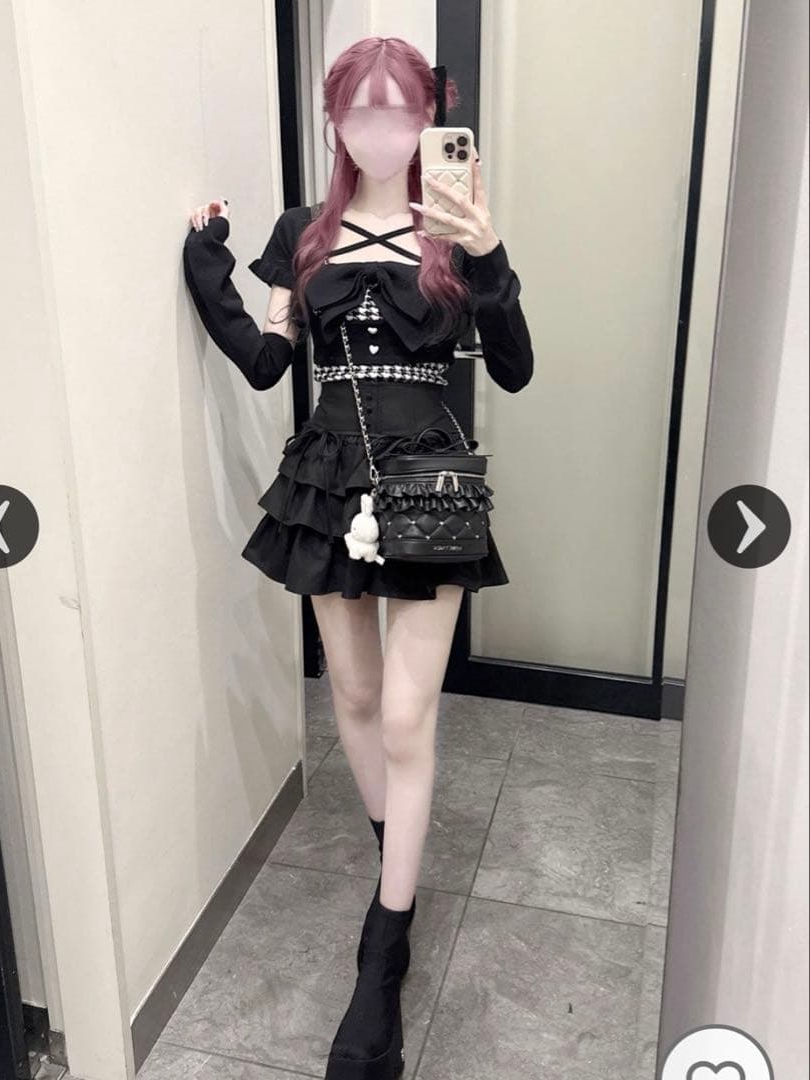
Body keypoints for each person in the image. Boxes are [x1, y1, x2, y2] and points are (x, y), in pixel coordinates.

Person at [183, 35, 533, 1080]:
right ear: (335, 120)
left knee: (408, 717)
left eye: (400, 110)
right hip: (329, 475)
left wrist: (488, 252)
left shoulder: (454, 227)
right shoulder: (303, 232)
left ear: (431, 117)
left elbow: (514, 369)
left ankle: (382, 955)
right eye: (359, 110)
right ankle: (399, 860)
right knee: (354, 695)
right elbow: (267, 363)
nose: (380, 130)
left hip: (430, 473)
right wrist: (208, 272)